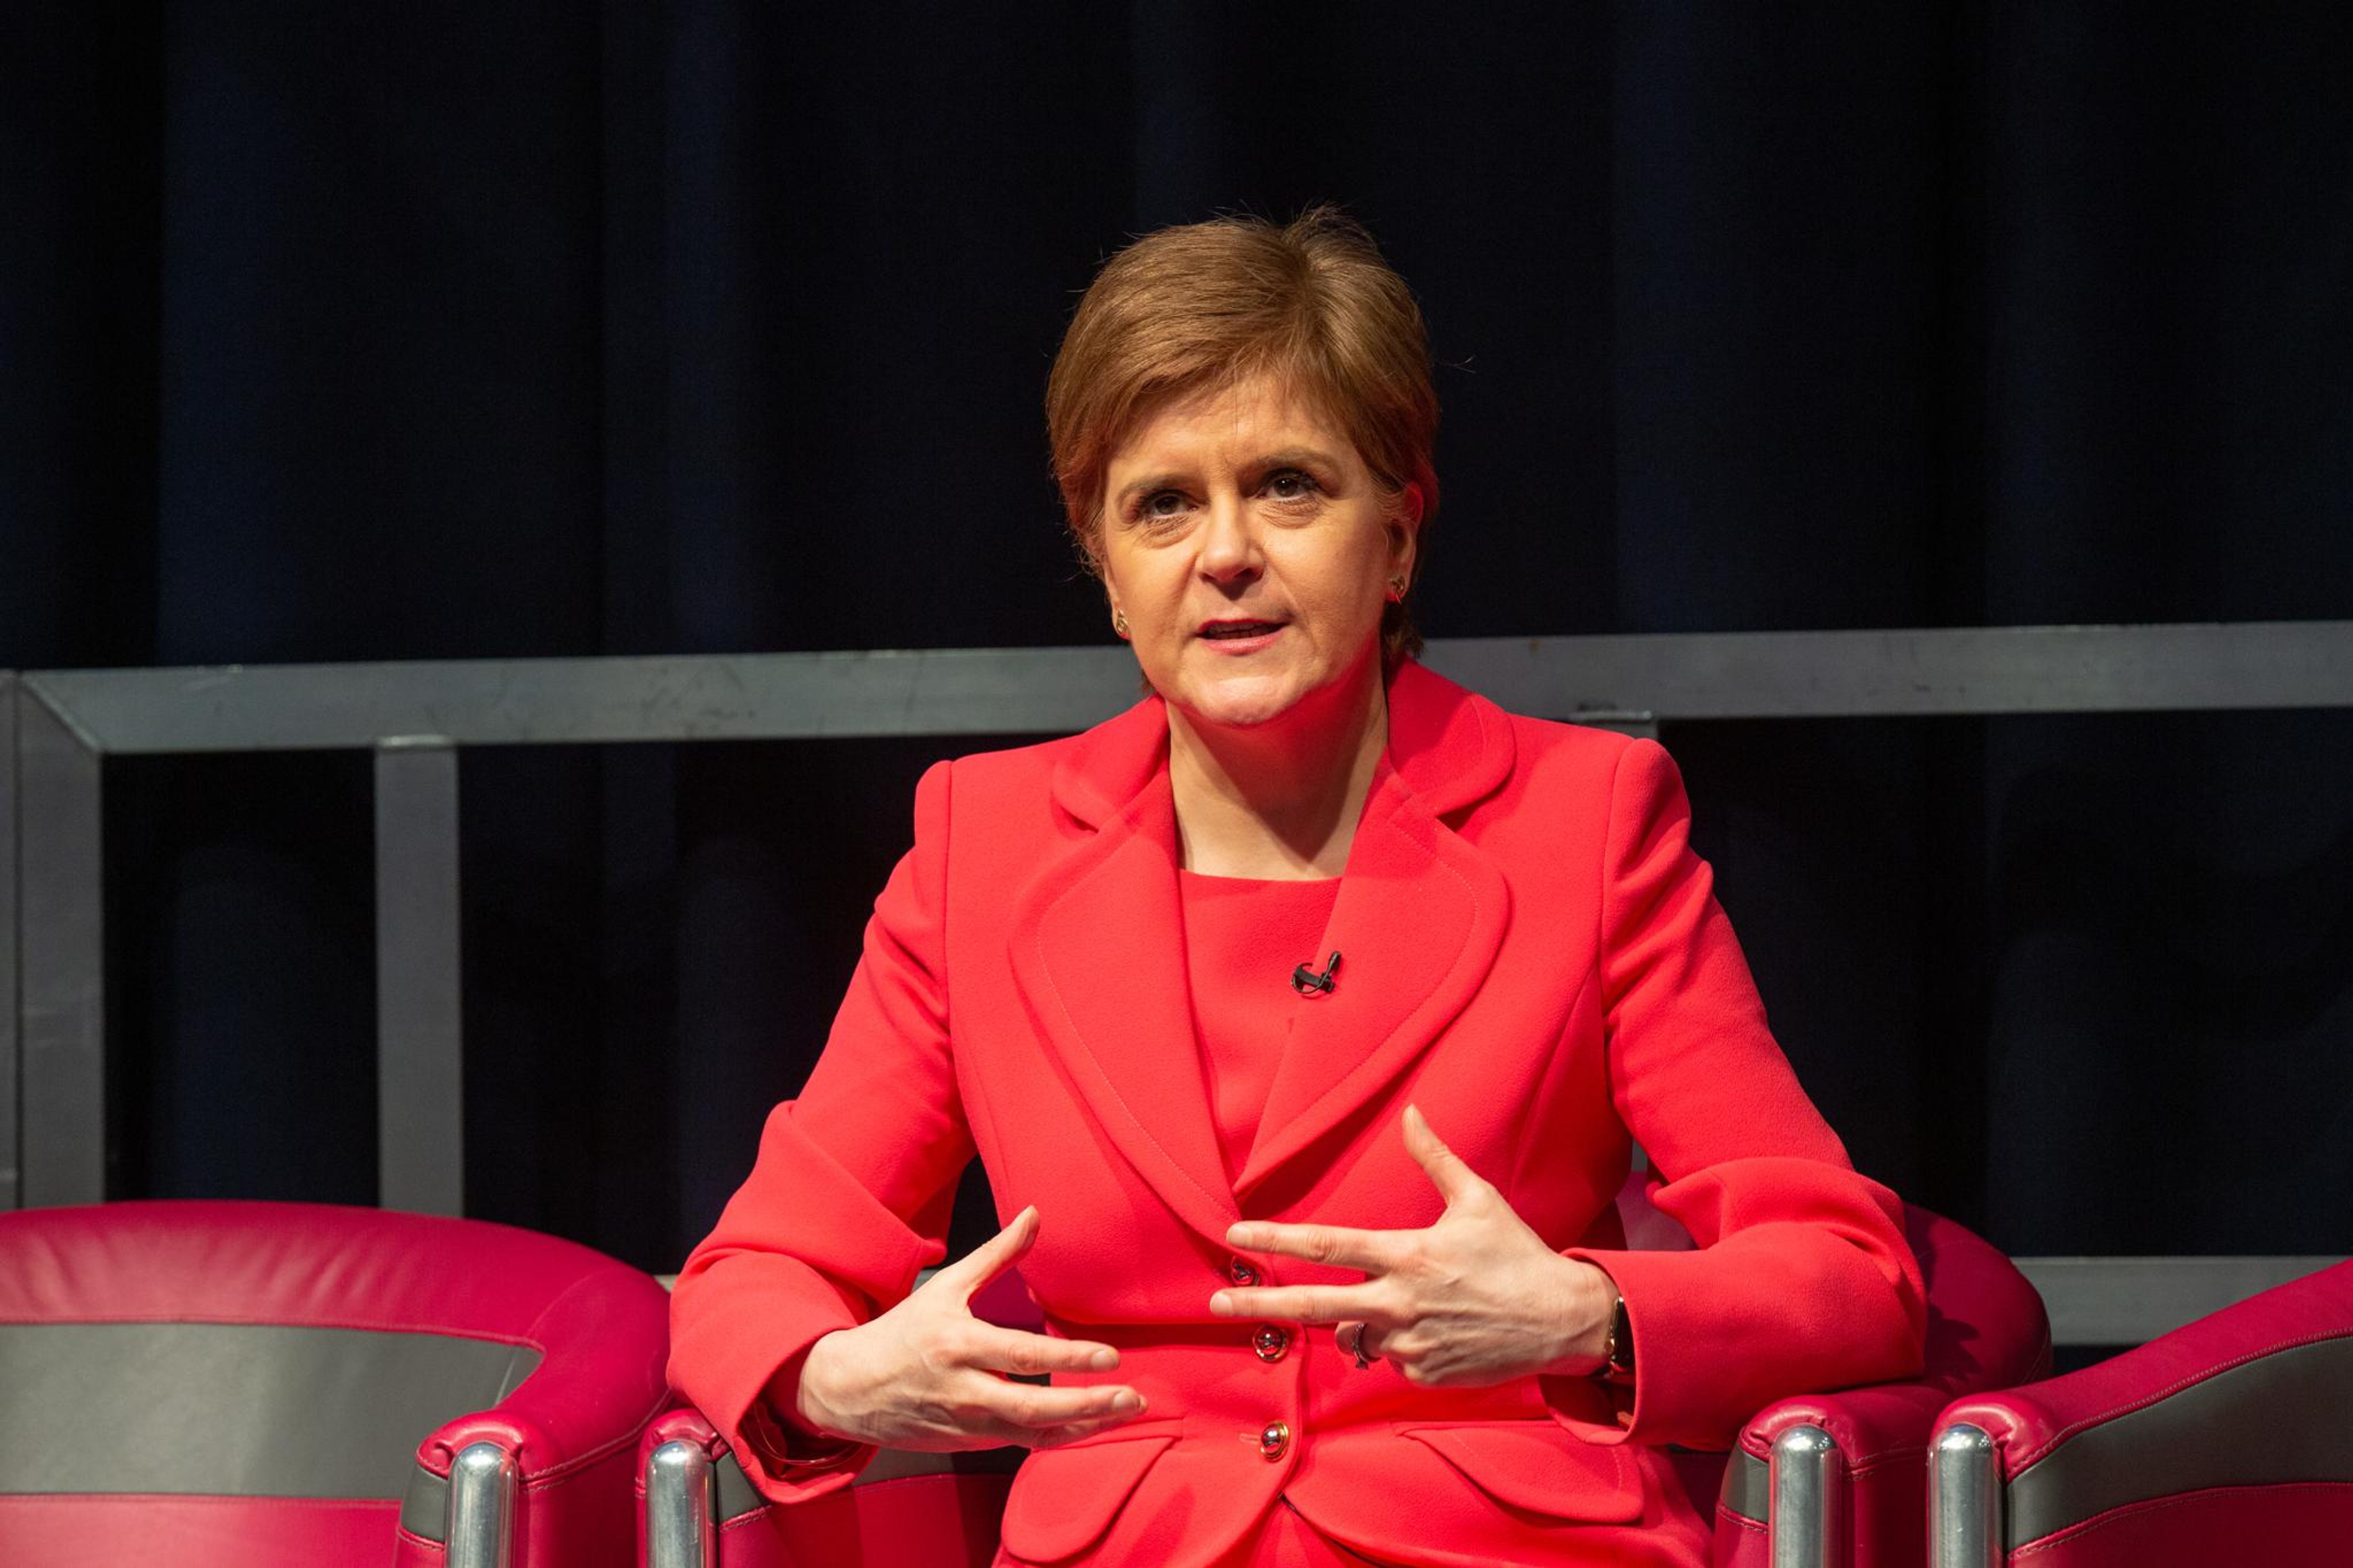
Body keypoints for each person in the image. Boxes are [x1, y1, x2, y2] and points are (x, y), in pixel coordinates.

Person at [668, 208, 1927, 1568]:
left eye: (1288, 486)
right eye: (1163, 505)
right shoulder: (984, 842)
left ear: (1397, 540)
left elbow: (1850, 1275)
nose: (1225, 555)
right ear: (1106, 571)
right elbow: (753, 1276)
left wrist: (1581, 1313)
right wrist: (836, 1379)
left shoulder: (1587, 820)